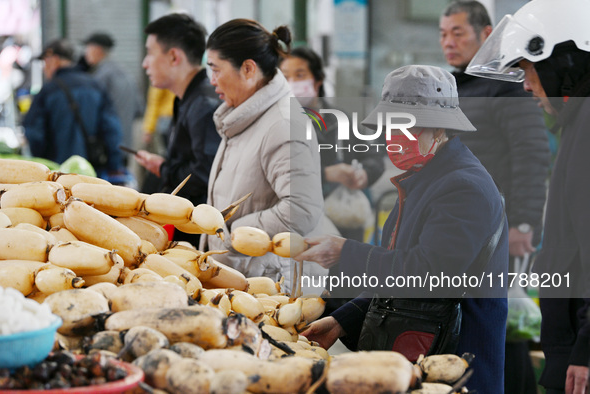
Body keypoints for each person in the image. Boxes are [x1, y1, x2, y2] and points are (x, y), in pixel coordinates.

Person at [296, 65, 508, 394]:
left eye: (407, 127)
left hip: (456, 368)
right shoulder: (423, 177)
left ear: (440, 128)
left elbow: (426, 273)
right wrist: (343, 319)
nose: (394, 138)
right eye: (389, 127)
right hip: (415, 355)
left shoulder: (465, 186)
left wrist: (346, 252)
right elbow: (396, 272)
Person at [466, 0, 590, 392]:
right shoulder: (577, 121)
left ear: (560, 64)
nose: (525, 85)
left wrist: (585, 351)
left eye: (528, 70)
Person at [439, 2, 550, 392]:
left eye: (458, 33)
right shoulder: (460, 85)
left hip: (501, 224)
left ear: (487, 35)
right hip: (467, 224)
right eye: (443, 34)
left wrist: (524, 221)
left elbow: (532, 153)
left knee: (500, 325)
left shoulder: (507, 86)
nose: (448, 42)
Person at [201, 19, 324, 292]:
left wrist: (234, 234)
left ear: (247, 69)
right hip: (240, 273)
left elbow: (302, 209)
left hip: (268, 286)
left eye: (216, 69)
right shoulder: (244, 116)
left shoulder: (283, 123)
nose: (212, 81)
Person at [133, 13, 221, 246]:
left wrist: (165, 168)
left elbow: (205, 174)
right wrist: (163, 166)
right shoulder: (188, 99)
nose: (145, 63)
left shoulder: (203, 104)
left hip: (198, 234)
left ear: (174, 57)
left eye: (150, 53)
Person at [279, 47, 384, 242]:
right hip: (297, 226)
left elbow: (372, 156)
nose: (291, 83)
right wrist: (326, 174)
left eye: (299, 75)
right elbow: (278, 172)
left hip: (343, 223)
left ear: (317, 80)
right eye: (285, 77)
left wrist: (364, 174)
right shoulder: (276, 123)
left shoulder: (338, 119)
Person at [23, 38, 123, 173]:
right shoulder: (96, 86)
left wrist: (42, 165)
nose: (44, 67)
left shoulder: (47, 91)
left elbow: (35, 134)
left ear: (54, 60)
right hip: (93, 172)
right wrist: (114, 165)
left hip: (58, 174)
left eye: (45, 62)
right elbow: (112, 129)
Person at [83, 32, 143, 151]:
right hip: (126, 144)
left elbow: (92, 113)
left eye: (88, 48)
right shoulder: (126, 73)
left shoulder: (100, 77)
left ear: (98, 50)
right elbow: (139, 109)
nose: (85, 53)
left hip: (108, 146)